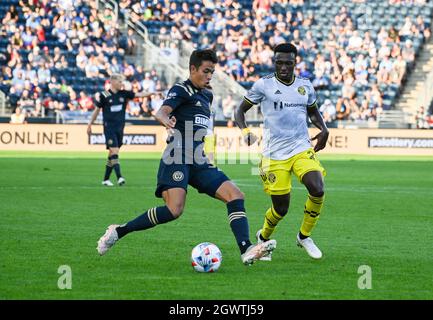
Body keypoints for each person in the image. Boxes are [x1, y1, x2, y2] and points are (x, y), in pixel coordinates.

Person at [96, 49, 276, 265]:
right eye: (206, 71)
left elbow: (206, 129)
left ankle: (246, 249)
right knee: (174, 210)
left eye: (212, 72)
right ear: (193, 69)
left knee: (235, 195)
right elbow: (161, 112)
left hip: (199, 160)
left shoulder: (207, 95)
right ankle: (119, 231)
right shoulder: (181, 89)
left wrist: (209, 154)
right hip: (177, 156)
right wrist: (166, 121)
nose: (210, 76)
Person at [235, 43, 329, 260]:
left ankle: (304, 236)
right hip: (273, 154)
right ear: (274, 62)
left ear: (295, 62)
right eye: (279, 62)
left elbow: (313, 112)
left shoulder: (305, 86)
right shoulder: (263, 85)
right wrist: (245, 131)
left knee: (317, 188)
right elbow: (240, 110)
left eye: (288, 62)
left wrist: (323, 128)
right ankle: (263, 237)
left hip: (300, 148)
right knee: (281, 208)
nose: (284, 67)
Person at [87, 73, 155, 186]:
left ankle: (106, 179)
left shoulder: (124, 93)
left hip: (120, 128)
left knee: (112, 153)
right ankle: (120, 177)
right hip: (109, 128)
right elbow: (96, 110)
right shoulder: (105, 94)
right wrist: (90, 124)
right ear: (112, 82)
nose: (121, 83)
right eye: (119, 81)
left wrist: (151, 93)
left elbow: (138, 94)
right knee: (114, 151)